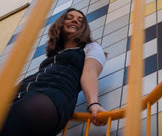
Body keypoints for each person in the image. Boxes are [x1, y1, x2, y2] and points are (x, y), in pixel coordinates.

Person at [0, 8, 106, 136]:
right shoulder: (55, 53)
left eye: (80, 20)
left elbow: (89, 73)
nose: (75, 20)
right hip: (21, 91)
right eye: (70, 17)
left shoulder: (90, 47)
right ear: (61, 23)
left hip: (51, 95)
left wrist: (93, 104)